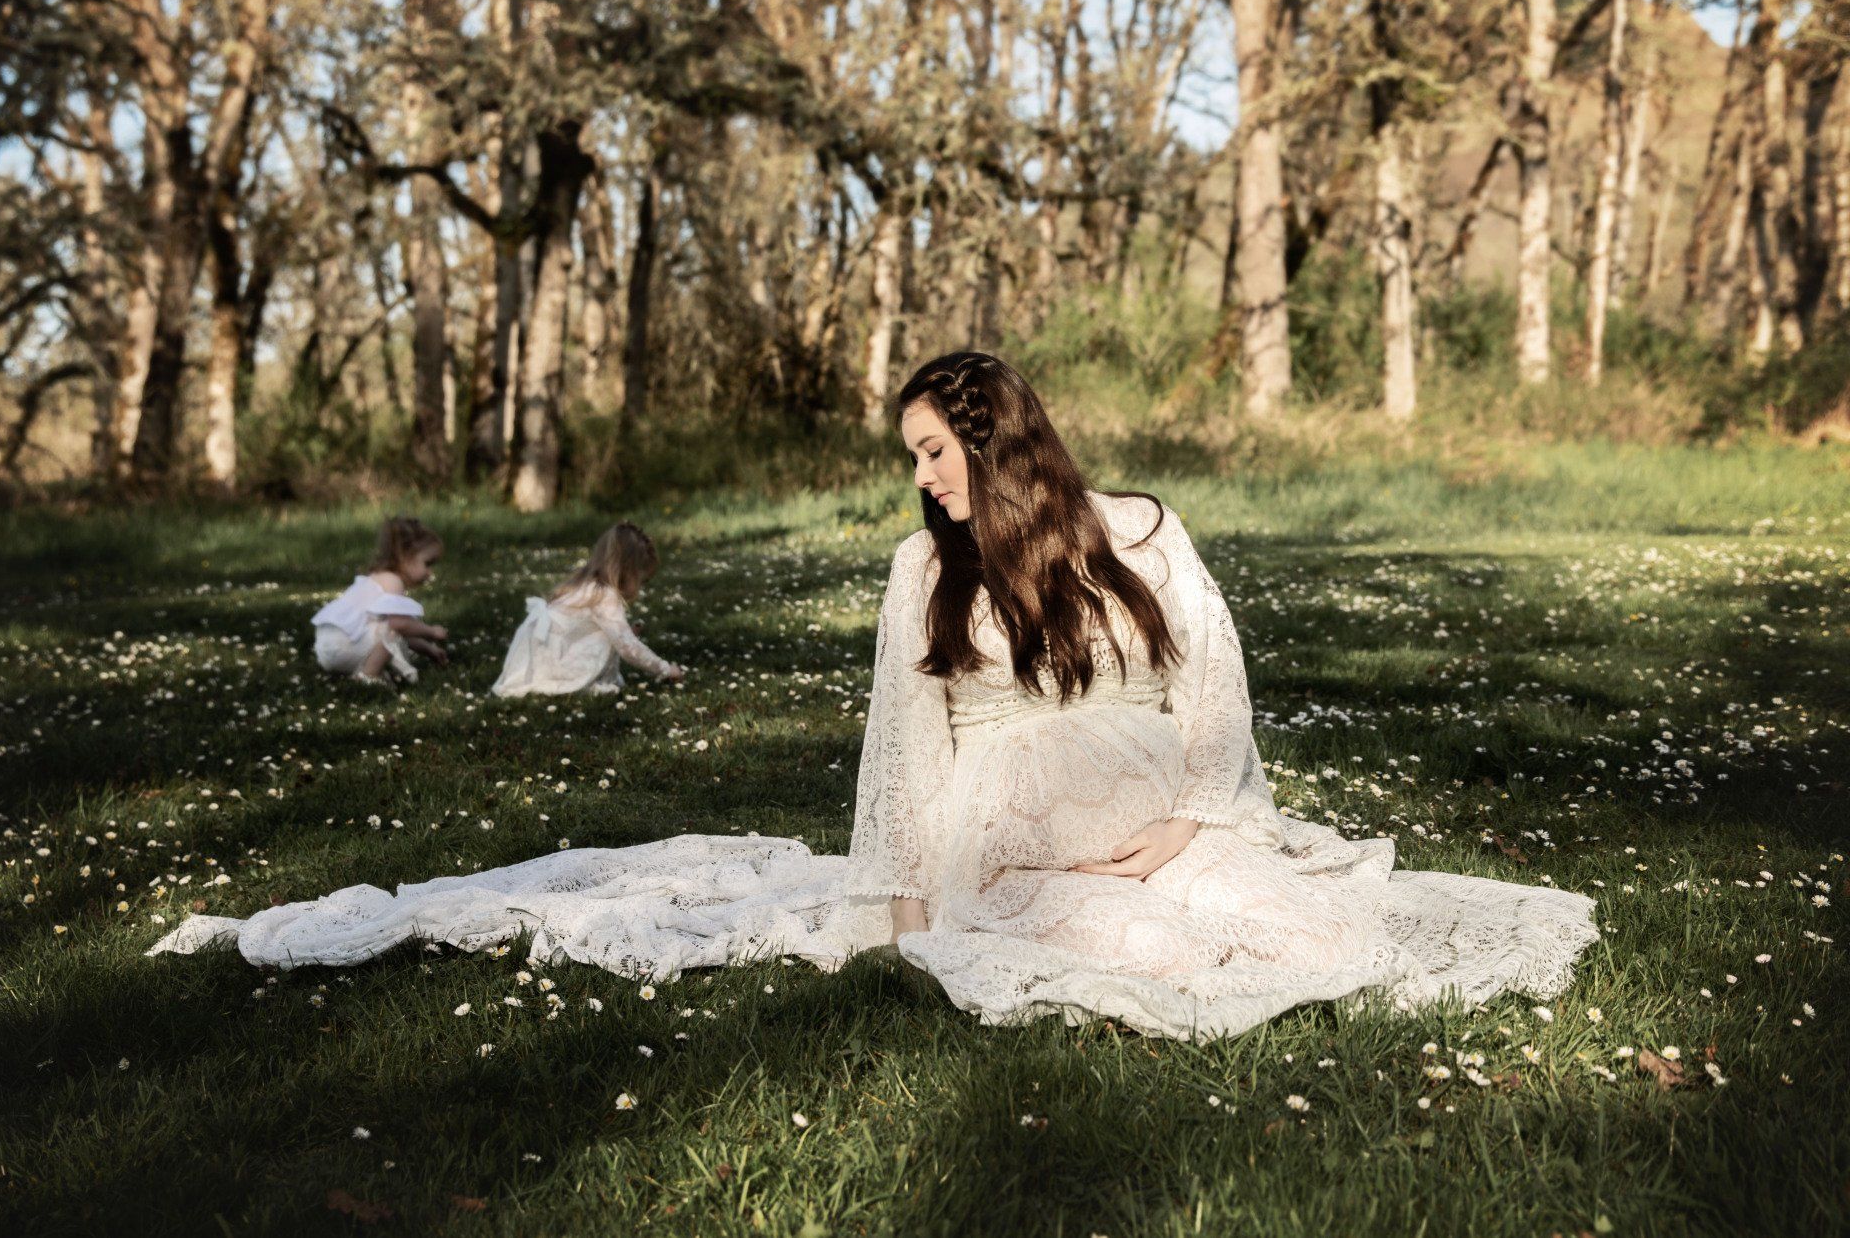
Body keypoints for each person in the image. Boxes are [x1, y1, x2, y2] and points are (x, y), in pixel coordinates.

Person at [157, 353, 1595, 1043]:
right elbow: (908, 758)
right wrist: (909, 915)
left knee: (1283, 922)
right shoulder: (925, 570)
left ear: (991, 437)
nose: (920, 475)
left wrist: (1190, 820)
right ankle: (1068, 879)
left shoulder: (1146, 530)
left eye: (930, 448)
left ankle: (1137, 869)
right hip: (996, 834)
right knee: (1095, 917)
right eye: (912, 455)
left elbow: (1214, 697)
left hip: (1152, 811)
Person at [491, 523, 685, 698]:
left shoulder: (585, 585)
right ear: (628, 571)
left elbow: (582, 631)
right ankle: (579, 684)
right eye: (641, 578)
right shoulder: (604, 595)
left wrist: (624, 633)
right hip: (551, 660)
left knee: (611, 636)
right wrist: (666, 669)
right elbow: (628, 648)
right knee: (616, 640)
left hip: (536, 653)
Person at [310, 517, 449, 685]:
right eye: (428, 563)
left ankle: (360, 670)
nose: (430, 573)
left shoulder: (376, 578)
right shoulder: (393, 581)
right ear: (405, 556)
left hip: (327, 648)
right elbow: (399, 626)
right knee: (394, 626)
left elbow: (400, 632)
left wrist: (429, 649)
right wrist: (431, 631)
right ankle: (369, 676)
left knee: (391, 627)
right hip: (345, 646)